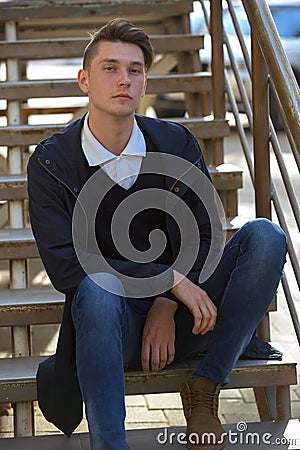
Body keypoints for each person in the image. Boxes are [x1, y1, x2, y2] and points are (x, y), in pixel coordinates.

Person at [27, 18, 287, 450]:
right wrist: (167, 281)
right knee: (95, 290)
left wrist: (166, 304)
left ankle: (205, 388)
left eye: (134, 70)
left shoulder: (175, 143)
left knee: (266, 236)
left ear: (145, 82)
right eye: (109, 68)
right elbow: (67, 267)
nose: (123, 79)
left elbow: (204, 235)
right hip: (113, 329)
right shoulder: (53, 163)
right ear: (84, 81)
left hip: (189, 318)